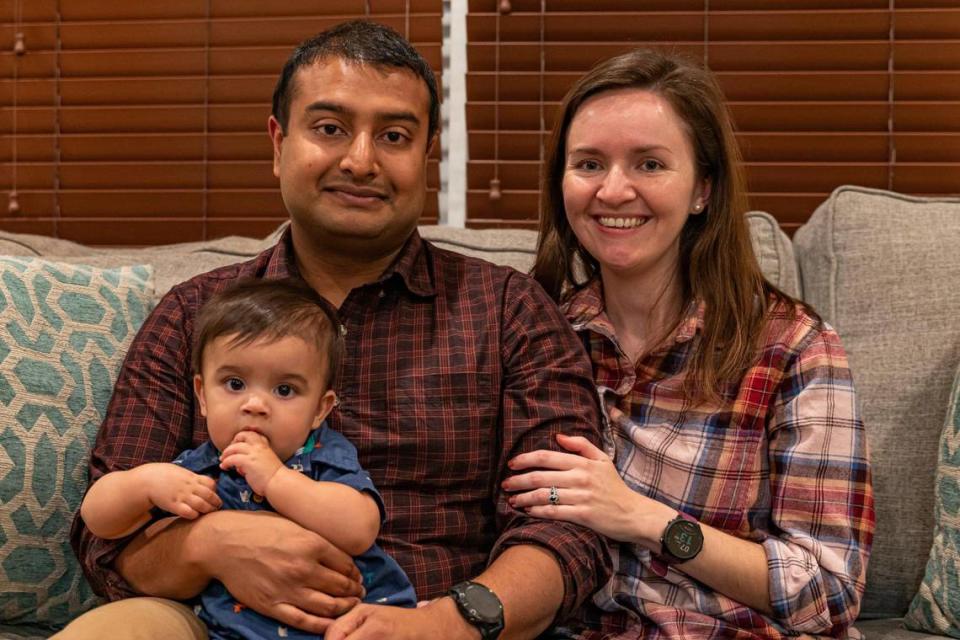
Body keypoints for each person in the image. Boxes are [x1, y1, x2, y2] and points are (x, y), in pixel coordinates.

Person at [60, 19, 610, 640]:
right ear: (278, 143)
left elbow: (568, 527)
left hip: (437, 615)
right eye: (329, 128)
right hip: (214, 621)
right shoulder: (195, 312)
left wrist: (446, 623)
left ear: (425, 154)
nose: (360, 160)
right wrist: (211, 544)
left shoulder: (509, 310)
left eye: (395, 135)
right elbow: (104, 538)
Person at [503, 49, 875, 639]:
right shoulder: (532, 333)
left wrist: (643, 518)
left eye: (649, 164)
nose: (614, 190)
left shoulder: (792, 347)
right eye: (589, 164)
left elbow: (828, 591)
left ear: (702, 189)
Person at [78, 278, 417, 639]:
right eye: (235, 384)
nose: (255, 405)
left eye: (284, 390)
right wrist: (143, 484)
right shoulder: (201, 468)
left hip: (346, 623)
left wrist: (275, 479)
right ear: (202, 396)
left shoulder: (321, 456)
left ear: (320, 409)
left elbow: (358, 529)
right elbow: (98, 520)